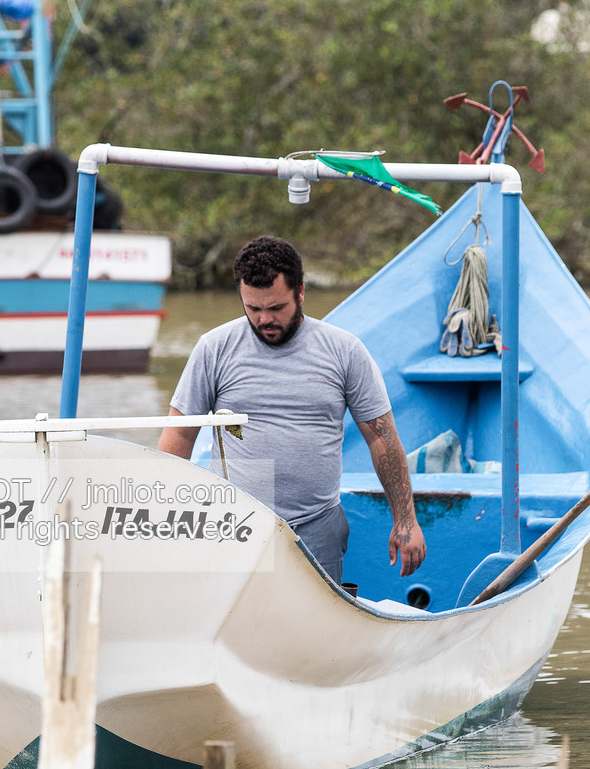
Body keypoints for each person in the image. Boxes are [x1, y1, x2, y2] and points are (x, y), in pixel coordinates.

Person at [157, 236, 425, 583]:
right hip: (233, 523)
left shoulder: (344, 351)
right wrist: (162, 516)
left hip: (317, 525)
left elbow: (381, 438)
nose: (264, 319)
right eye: (253, 308)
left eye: (276, 307)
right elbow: (179, 433)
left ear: (300, 292)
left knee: (313, 632)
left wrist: (405, 520)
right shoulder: (214, 349)